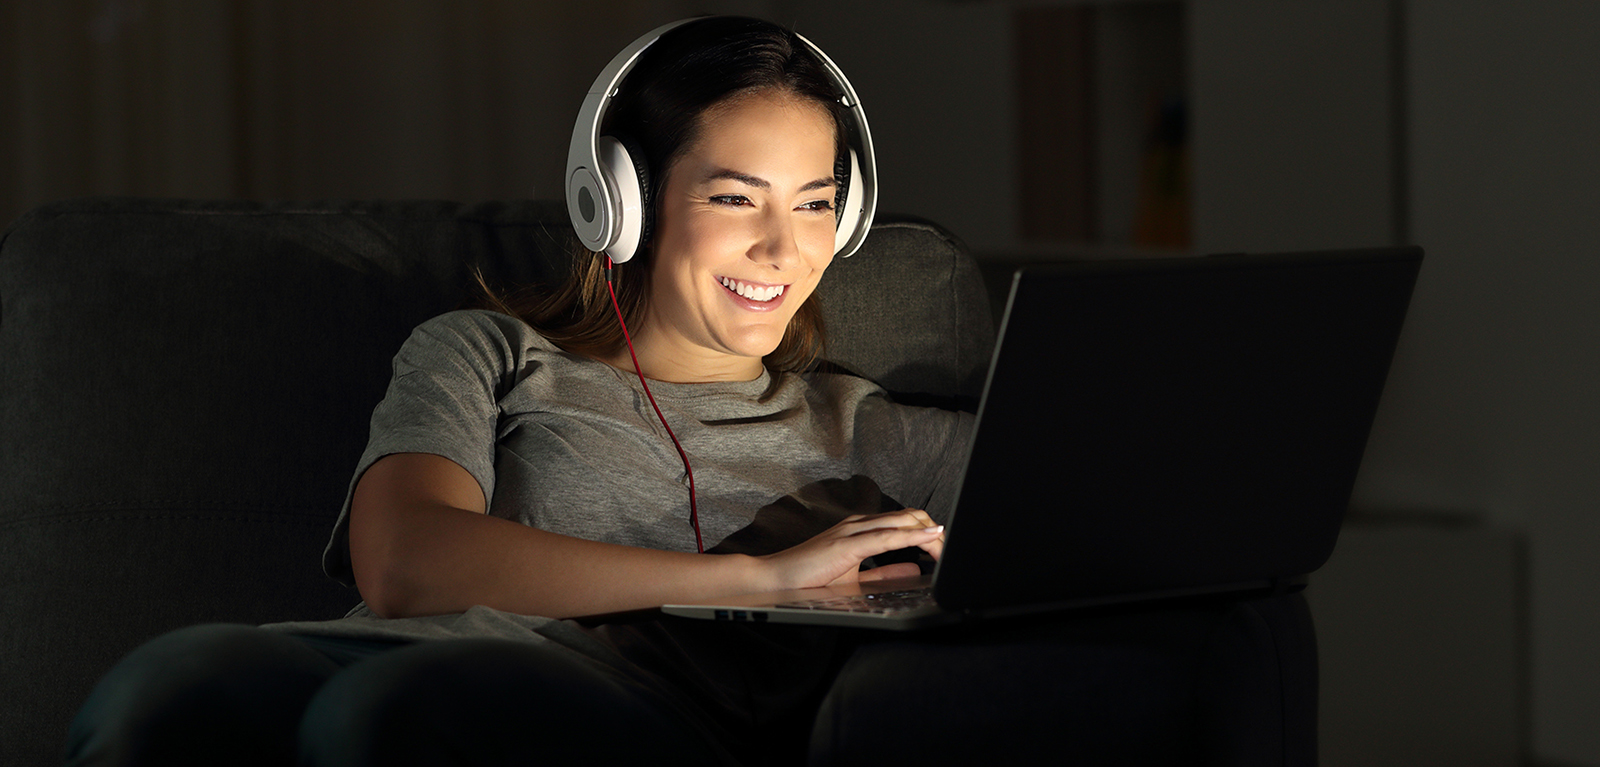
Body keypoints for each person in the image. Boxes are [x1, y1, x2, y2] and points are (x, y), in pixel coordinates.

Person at [63, 16, 970, 767]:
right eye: (737, 199)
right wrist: (755, 579)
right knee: (167, 685)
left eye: (815, 202)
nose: (784, 248)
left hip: (613, 705)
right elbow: (407, 561)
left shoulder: (879, 434)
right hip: (376, 646)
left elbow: (1087, 497)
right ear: (626, 204)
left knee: (395, 713)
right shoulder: (485, 353)